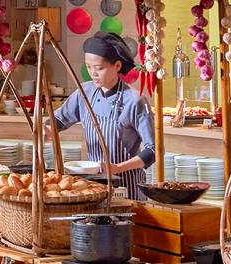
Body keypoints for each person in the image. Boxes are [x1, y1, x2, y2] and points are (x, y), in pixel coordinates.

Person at [43, 32, 156, 199]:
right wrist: (49, 128)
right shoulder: (85, 92)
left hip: (127, 187)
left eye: (99, 68)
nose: (93, 73)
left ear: (117, 66)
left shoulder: (134, 100)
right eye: (89, 67)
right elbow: (58, 119)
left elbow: (152, 151)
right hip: (93, 186)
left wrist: (117, 167)